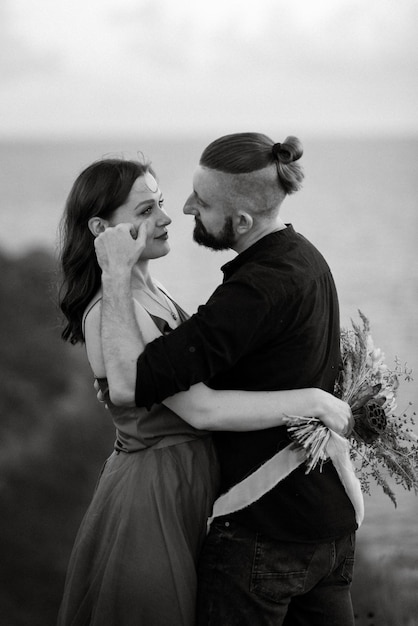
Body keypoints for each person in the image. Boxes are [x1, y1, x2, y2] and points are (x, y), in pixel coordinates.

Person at [57, 156, 353, 626]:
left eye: (160, 203)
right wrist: (312, 401)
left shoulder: (156, 291)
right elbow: (196, 406)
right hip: (155, 491)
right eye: (144, 211)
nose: (167, 217)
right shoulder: (108, 312)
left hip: (196, 482)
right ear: (101, 228)